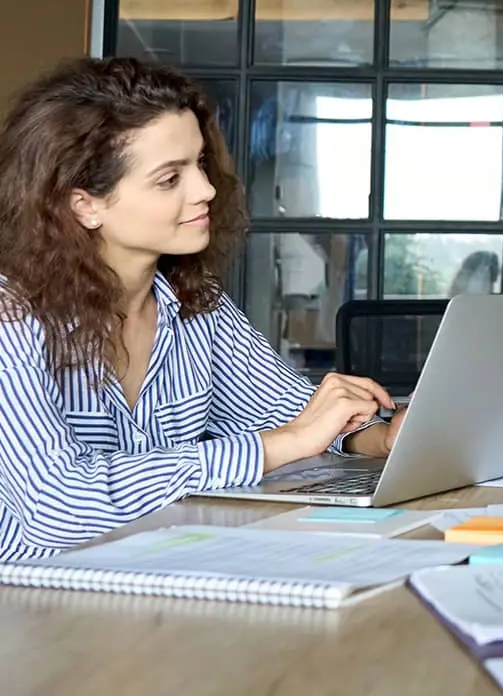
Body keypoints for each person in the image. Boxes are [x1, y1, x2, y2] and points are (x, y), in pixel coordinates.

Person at [0, 58, 403, 561]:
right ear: (85, 205)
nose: (207, 190)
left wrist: (380, 436)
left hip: (162, 578)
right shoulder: (10, 316)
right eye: (170, 179)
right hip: (29, 606)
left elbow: (292, 413)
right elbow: (55, 506)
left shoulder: (196, 300)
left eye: (199, 164)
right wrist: (275, 447)